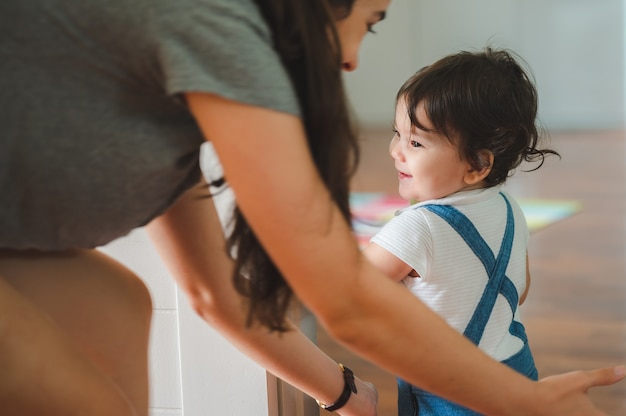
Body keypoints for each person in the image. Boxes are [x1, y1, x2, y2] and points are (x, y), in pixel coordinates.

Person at [0, 1, 622, 415]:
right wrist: (521, 400)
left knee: (121, 304)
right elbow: (343, 300)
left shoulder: (184, 92)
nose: (353, 58)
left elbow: (217, 293)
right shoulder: (219, 33)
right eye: (369, 22)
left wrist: (344, 391)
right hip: (506, 367)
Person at [362, 47, 558, 415]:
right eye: (397, 134)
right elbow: (521, 289)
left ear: (477, 164)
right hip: (517, 374)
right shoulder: (510, 209)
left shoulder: (416, 227)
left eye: (415, 143)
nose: (395, 152)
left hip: (450, 394)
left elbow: (344, 291)